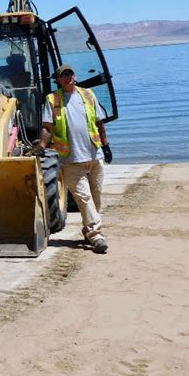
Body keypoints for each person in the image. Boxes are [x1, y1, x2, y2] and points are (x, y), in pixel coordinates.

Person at [38, 64, 113, 254]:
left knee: (96, 197)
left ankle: (89, 230)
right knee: (84, 197)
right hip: (71, 160)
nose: (68, 77)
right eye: (64, 76)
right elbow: (47, 127)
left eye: (70, 74)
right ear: (59, 80)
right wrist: (41, 147)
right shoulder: (52, 99)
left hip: (94, 155)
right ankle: (96, 236)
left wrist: (106, 145)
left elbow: (98, 122)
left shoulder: (87, 95)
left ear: (74, 76)